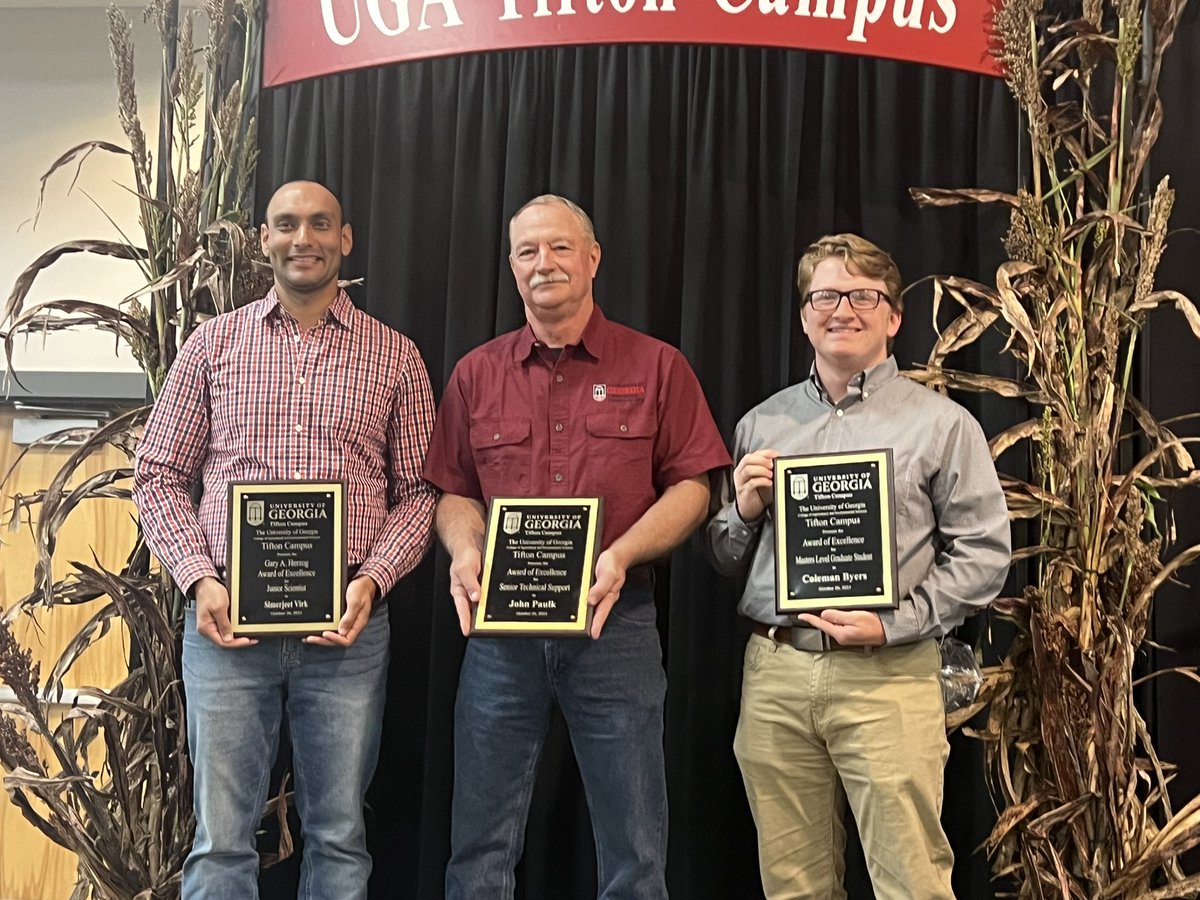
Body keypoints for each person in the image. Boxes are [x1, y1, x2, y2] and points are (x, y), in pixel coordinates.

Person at [134, 180, 437, 899]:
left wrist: (373, 581)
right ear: (264, 240)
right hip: (226, 624)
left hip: (348, 630)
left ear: (346, 240)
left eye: (320, 224)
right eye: (288, 225)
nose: (304, 238)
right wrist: (198, 579)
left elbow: (422, 492)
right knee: (220, 840)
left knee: (339, 836)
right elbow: (157, 475)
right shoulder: (212, 345)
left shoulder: (396, 358)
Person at [423, 194, 731, 898]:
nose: (544, 263)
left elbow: (693, 487)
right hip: (501, 635)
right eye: (528, 251)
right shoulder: (476, 373)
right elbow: (455, 490)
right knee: (478, 848)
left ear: (592, 259)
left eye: (560, 247)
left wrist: (619, 557)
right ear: (511, 266)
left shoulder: (657, 365)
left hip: (614, 627)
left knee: (635, 848)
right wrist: (465, 553)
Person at [705, 233, 1011, 899]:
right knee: (793, 887)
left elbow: (985, 555)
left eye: (862, 295)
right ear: (805, 312)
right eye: (824, 295)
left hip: (889, 675)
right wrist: (746, 508)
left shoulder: (942, 425)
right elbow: (725, 556)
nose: (841, 309)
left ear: (893, 316)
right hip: (777, 673)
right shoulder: (762, 423)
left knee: (911, 882)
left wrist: (894, 623)